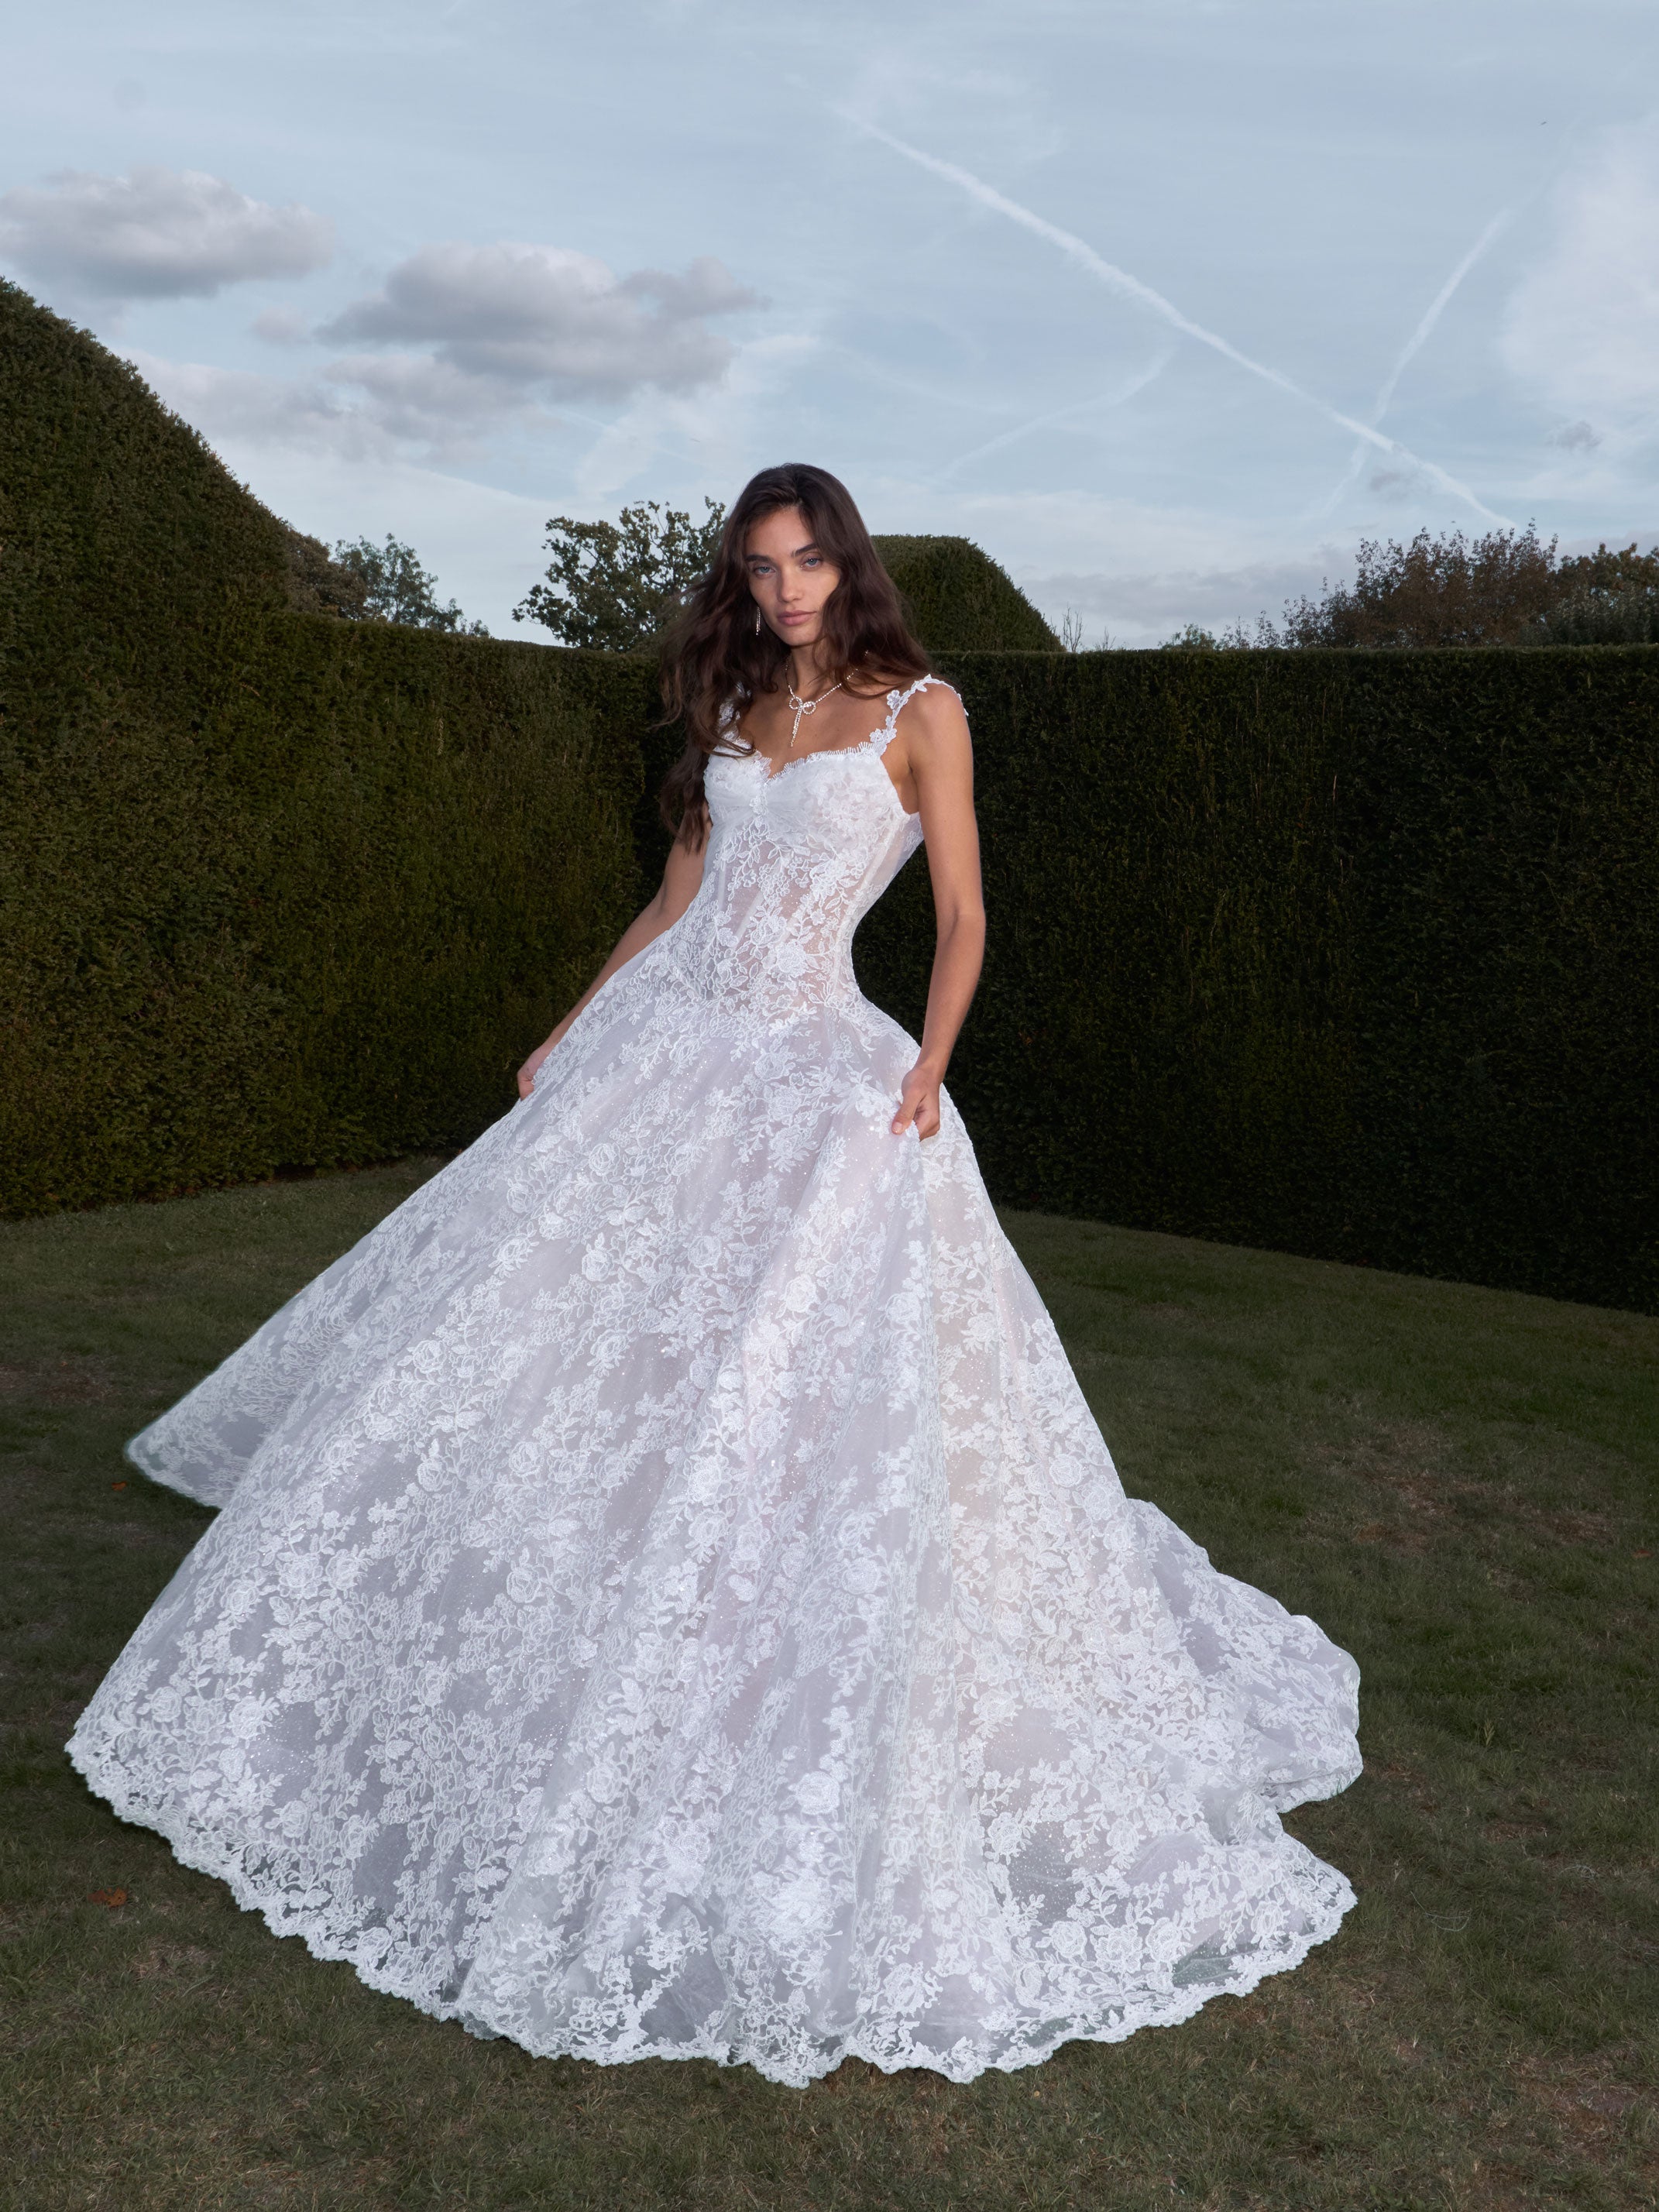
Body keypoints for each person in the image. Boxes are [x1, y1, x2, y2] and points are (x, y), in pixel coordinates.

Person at [70, 464, 1361, 2089]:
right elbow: (678, 901)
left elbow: (964, 913)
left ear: (848, 564)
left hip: (824, 1076)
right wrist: (571, 1027)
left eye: (808, 560)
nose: (787, 588)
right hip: (672, 1056)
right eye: (761, 567)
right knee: (562, 1332)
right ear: (741, 582)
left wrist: (932, 1064)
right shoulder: (735, 709)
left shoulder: (925, 713)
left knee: (778, 1367)